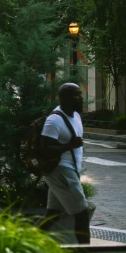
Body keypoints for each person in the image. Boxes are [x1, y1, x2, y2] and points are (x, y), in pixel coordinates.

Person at [37, 83, 89, 244]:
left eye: (80, 94)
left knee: (52, 214)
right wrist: (69, 145)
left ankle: (25, 246)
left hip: (68, 171)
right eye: (76, 94)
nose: (81, 97)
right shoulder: (55, 120)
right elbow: (45, 150)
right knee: (82, 213)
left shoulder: (76, 116)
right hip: (61, 171)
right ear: (64, 98)